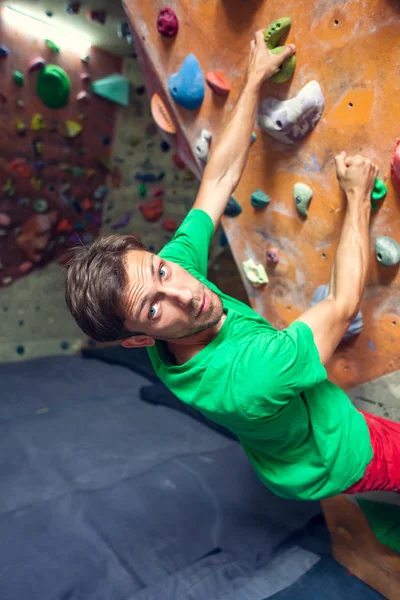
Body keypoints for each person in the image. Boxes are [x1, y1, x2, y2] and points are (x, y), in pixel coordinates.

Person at [65, 31, 399, 500]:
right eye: (154, 310)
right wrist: (359, 197)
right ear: (140, 339)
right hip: (338, 455)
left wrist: (254, 79)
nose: (185, 293)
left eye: (161, 272)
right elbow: (343, 305)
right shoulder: (251, 377)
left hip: (280, 448)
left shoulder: (170, 274)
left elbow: (217, 178)